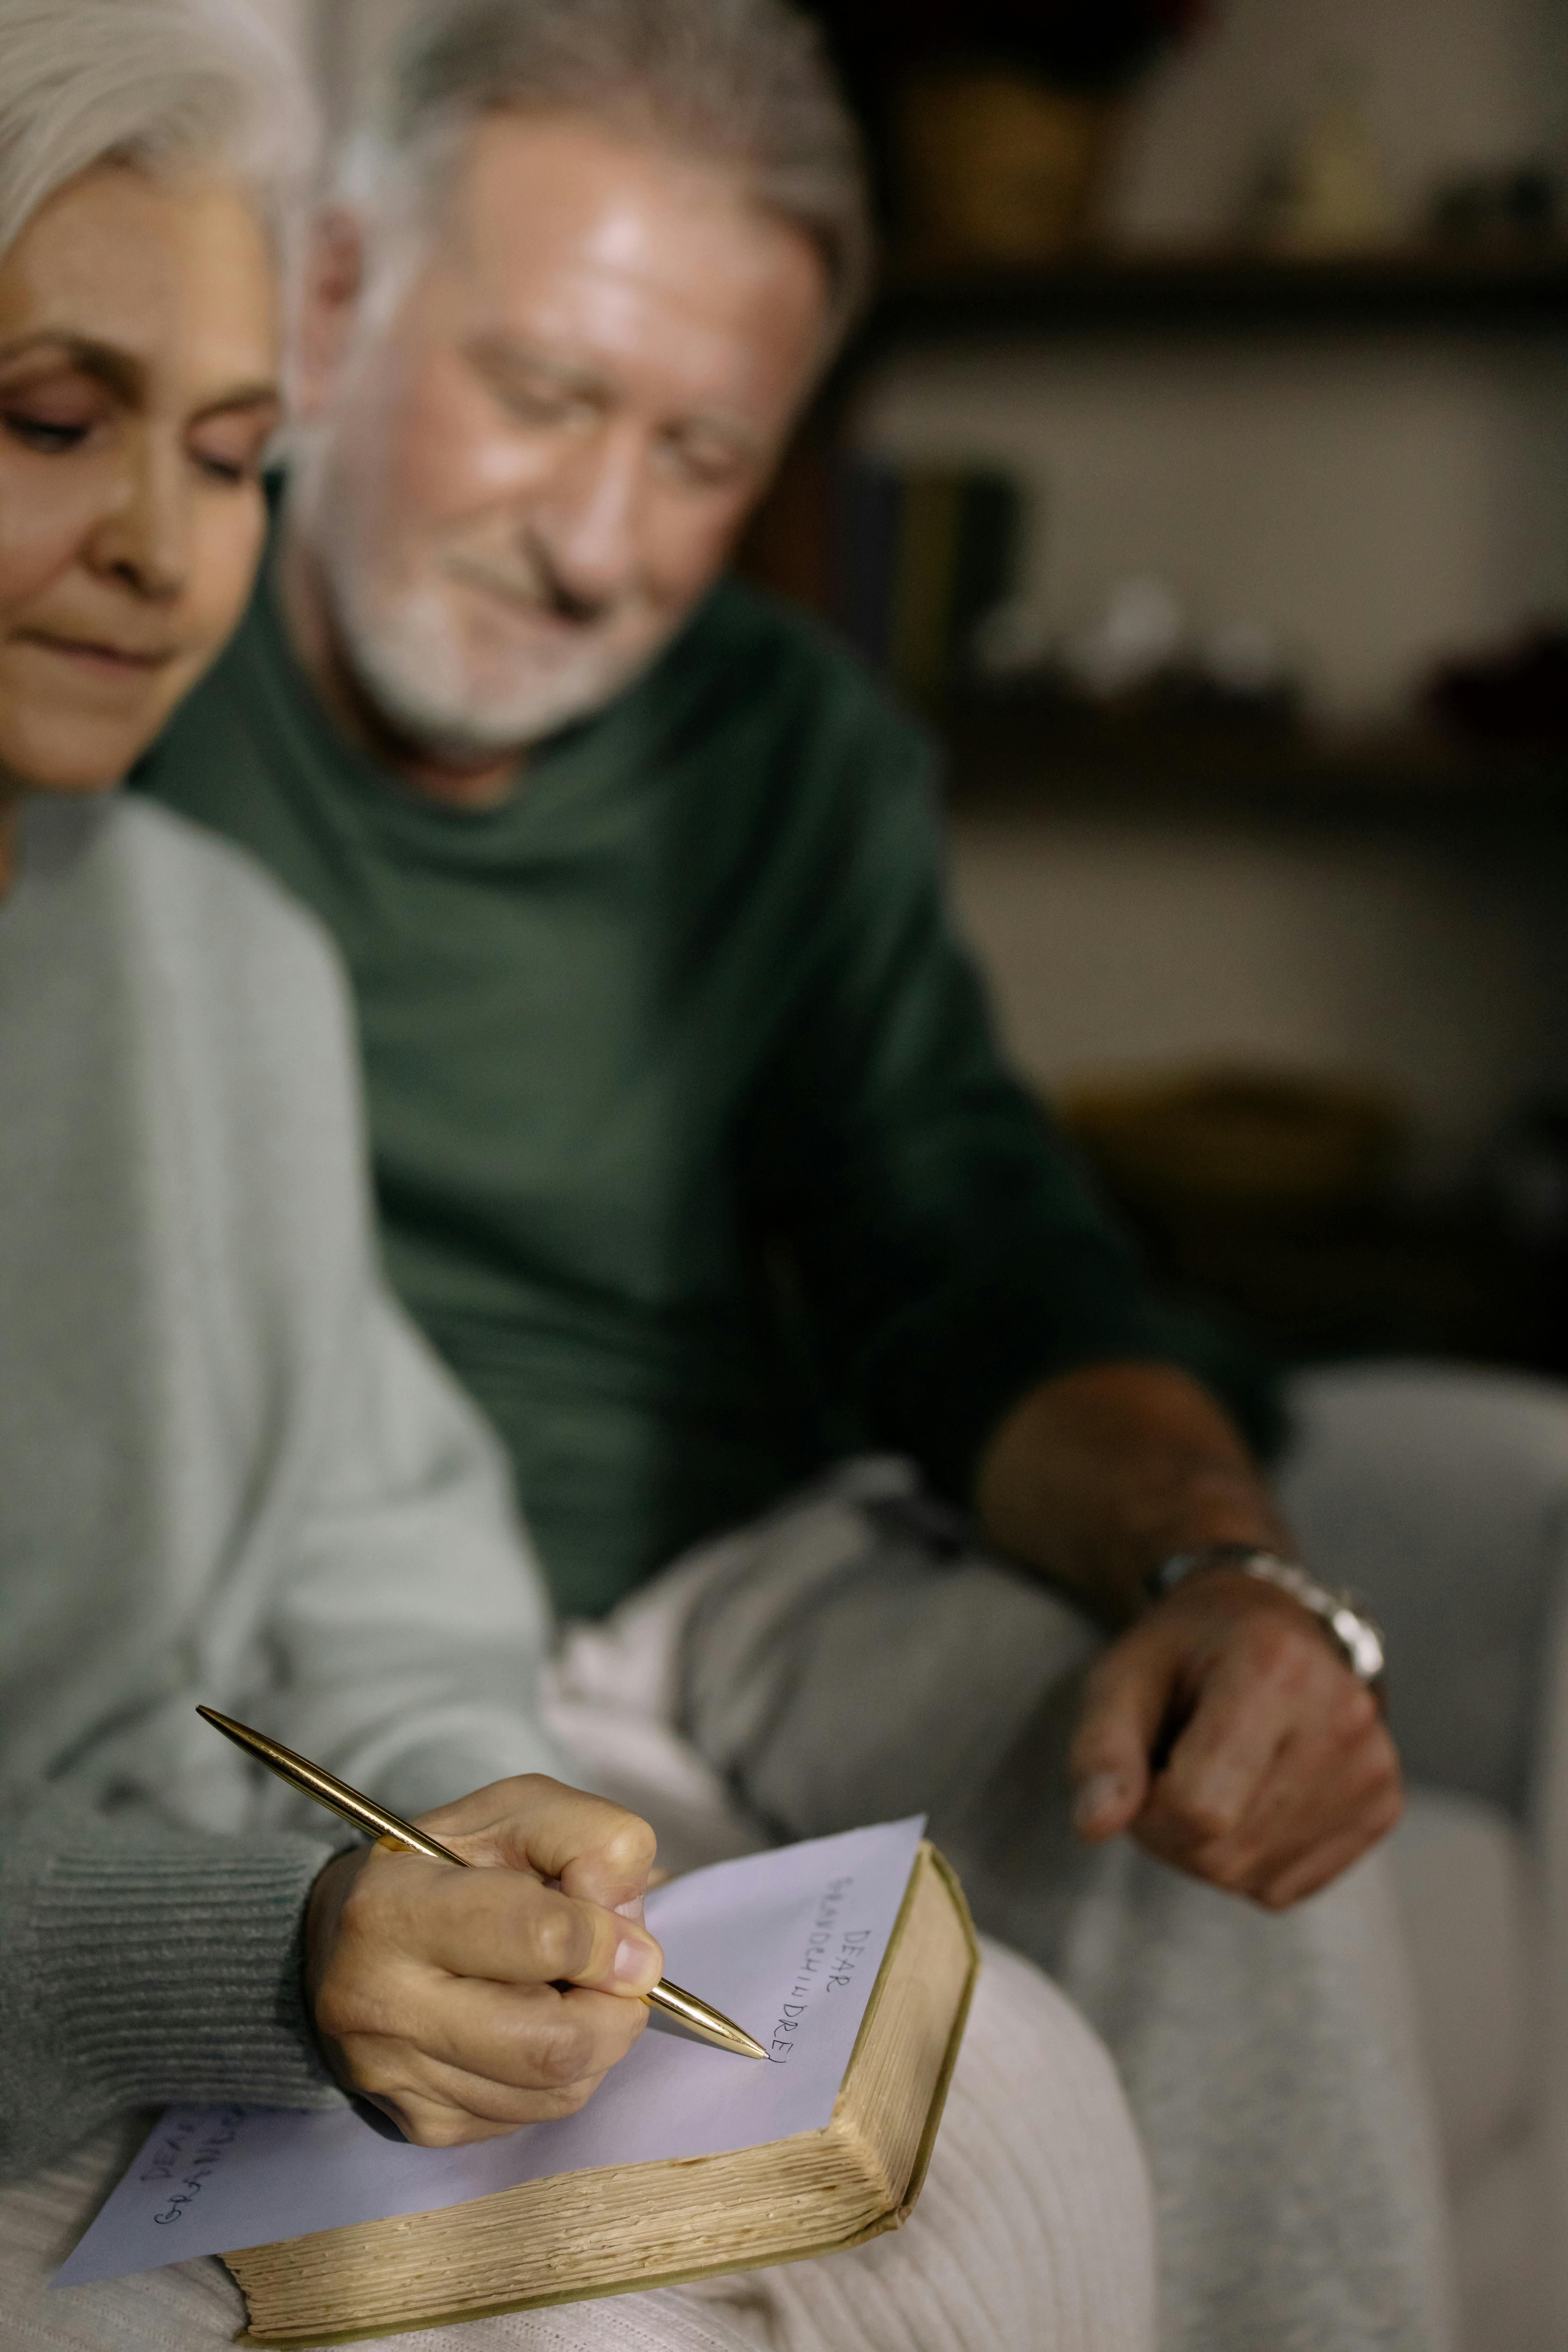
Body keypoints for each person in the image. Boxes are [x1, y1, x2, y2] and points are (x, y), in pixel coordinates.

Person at [133, 3, 1454, 2346]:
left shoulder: (786, 743)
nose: (599, 542)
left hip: (748, 1569)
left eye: (702, 453)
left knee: (1228, 1840)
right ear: (335, 302)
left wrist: (1226, 1572)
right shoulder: (118, 655)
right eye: (540, 397)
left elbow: (977, 1248)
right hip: (307, 1643)